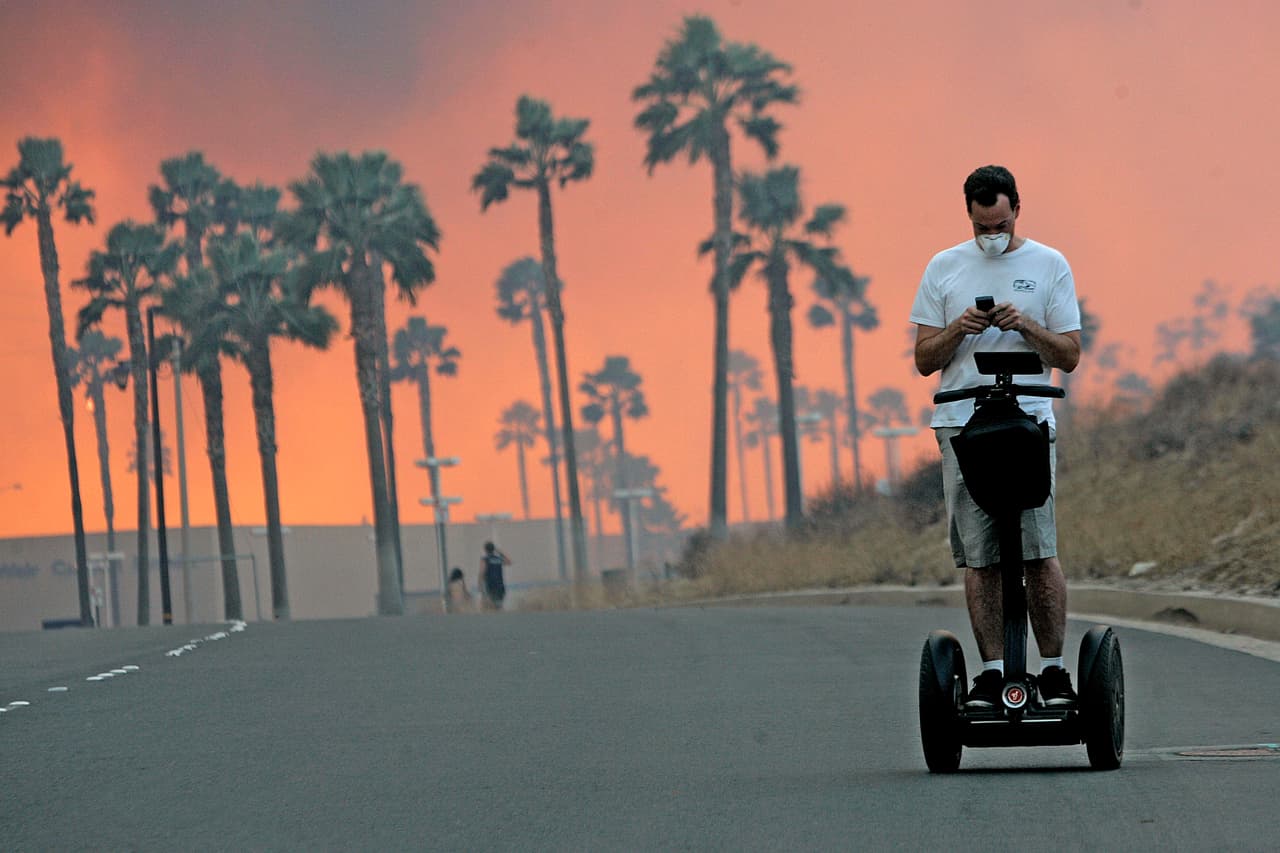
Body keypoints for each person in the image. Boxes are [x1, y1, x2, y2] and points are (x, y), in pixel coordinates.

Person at [910, 165, 1082, 710]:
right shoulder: (943, 267)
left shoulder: (1049, 264)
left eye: (1001, 223)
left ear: (1017, 210)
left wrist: (1024, 325)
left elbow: (1070, 355)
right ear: (969, 215)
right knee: (980, 557)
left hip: (1030, 419)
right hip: (962, 422)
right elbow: (922, 359)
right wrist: (957, 329)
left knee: (1038, 549)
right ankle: (989, 675)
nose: (993, 234)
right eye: (984, 226)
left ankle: (1052, 671)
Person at [479, 542, 510, 611]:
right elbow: (509, 562)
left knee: (491, 606)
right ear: (493, 549)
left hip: (491, 585)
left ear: (485, 550)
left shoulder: (485, 559)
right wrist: (500, 552)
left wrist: (480, 584)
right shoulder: (498, 559)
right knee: (499, 605)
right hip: (500, 585)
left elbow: (482, 572)